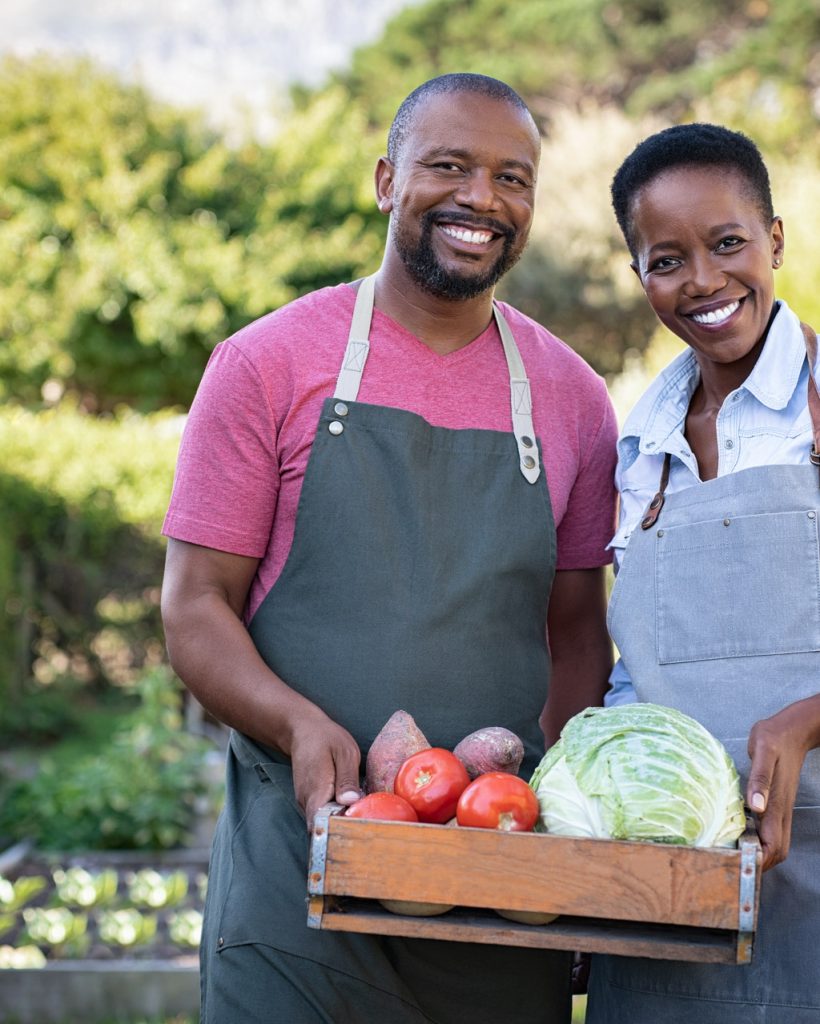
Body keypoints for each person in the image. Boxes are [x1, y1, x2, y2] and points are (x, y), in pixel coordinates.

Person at [161, 72, 618, 1024]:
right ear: (385, 180)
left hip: (498, 887)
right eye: (448, 166)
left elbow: (579, 636)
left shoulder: (574, 398)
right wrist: (296, 725)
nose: (482, 199)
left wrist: (564, 831)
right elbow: (194, 606)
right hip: (302, 879)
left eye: (513, 178)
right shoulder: (267, 363)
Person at [586, 122, 820, 1023]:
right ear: (639, 275)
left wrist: (805, 721)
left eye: (728, 244)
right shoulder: (639, 444)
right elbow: (631, 668)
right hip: (667, 885)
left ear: (776, 240)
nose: (705, 282)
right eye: (666, 259)